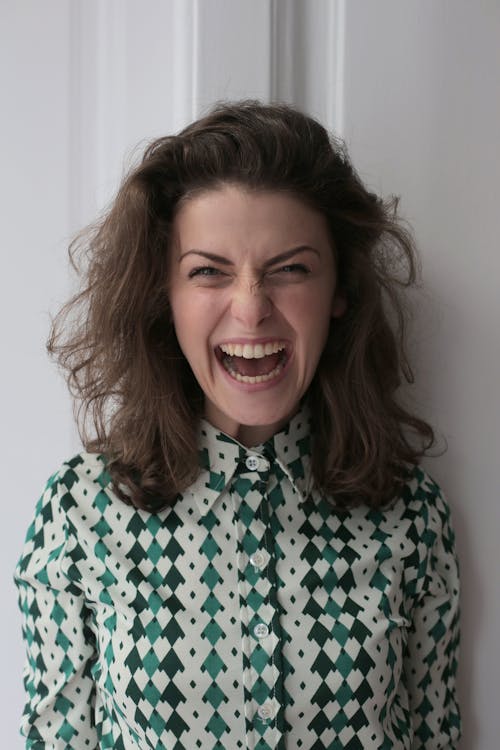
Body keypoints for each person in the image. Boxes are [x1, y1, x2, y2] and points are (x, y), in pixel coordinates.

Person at [14, 101, 461, 749]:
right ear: (161, 294)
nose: (251, 310)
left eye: (290, 269)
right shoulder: (78, 513)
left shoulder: (411, 514)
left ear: (340, 291)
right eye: (207, 272)